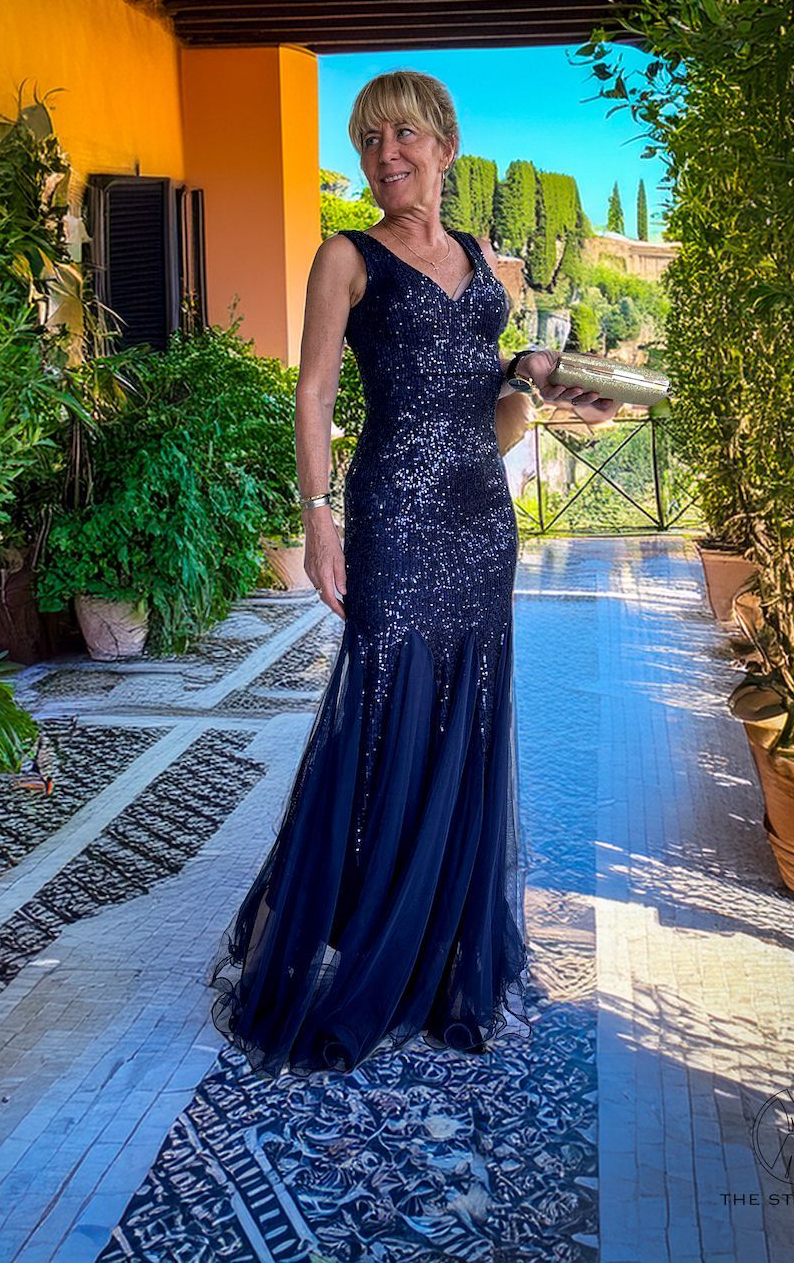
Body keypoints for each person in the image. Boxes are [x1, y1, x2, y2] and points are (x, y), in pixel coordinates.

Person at [207, 69, 617, 1077]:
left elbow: (491, 409)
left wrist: (544, 387)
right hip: (391, 515)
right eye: (367, 139)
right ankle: (364, 931)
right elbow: (311, 394)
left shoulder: (482, 261)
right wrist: (316, 516)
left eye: (400, 134)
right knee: (385, 711)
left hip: (481, 522)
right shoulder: (344, 258)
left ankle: (436, 947)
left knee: (465, 720)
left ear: (442, 144)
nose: (383, 154)